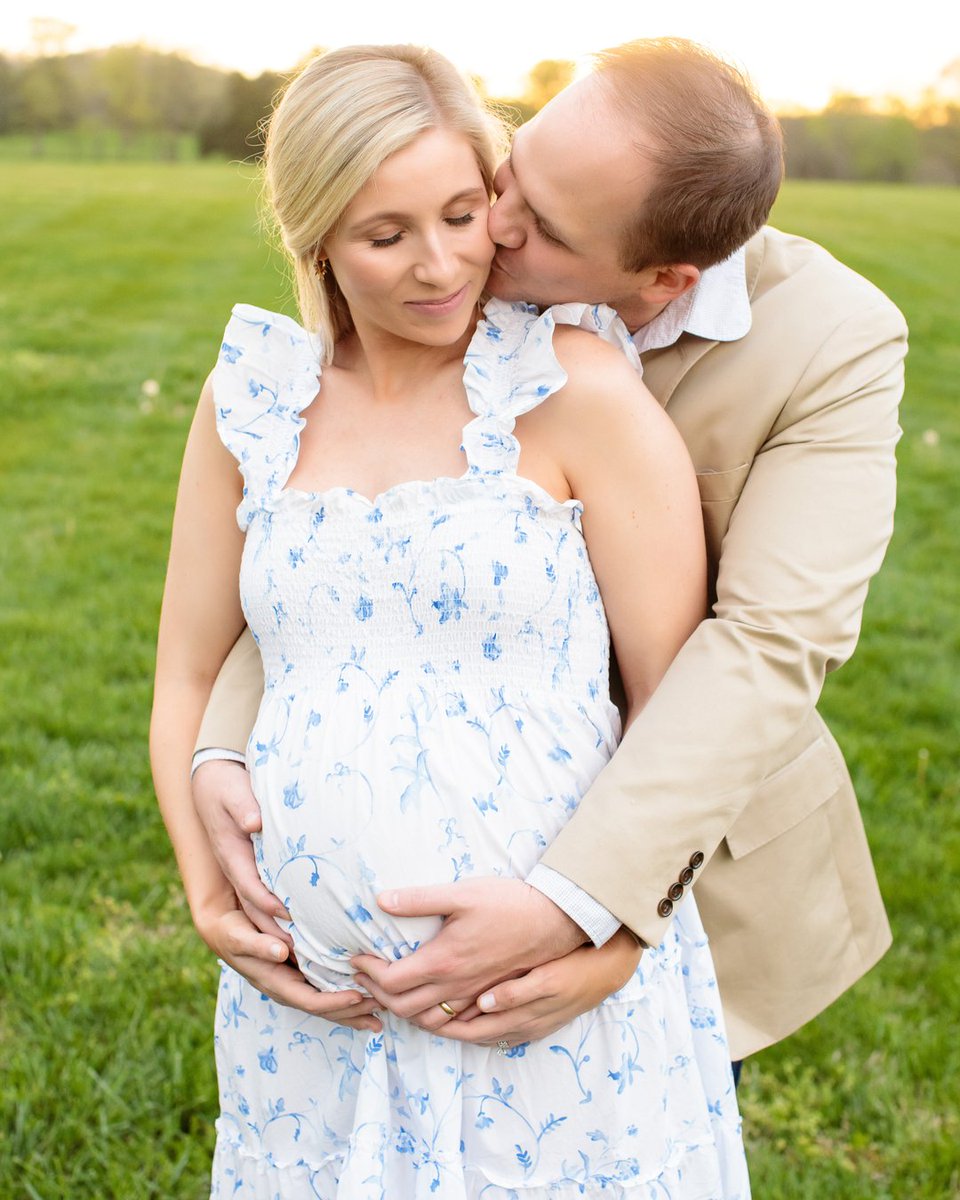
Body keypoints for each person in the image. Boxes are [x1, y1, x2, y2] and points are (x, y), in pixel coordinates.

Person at [193, 37, 907, 1068]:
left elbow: (767, 646)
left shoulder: (830, 343)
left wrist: (599, 913)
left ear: (663, 279)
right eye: (515, 165)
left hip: (662, 830)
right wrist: (225, 739)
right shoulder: (465, 265)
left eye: (547, 228)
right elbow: (366, 524)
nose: (495, 224)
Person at [151, 43, 750, 1198]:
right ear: (315, 235)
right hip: (315, 1019)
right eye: (387, 235)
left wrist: (606, 934)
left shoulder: (577, 393)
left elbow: (680, 710)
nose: (441, 266)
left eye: (465, 213)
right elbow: (187, 675)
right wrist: (207, 886)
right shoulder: (253, 402)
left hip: (545, 1000)